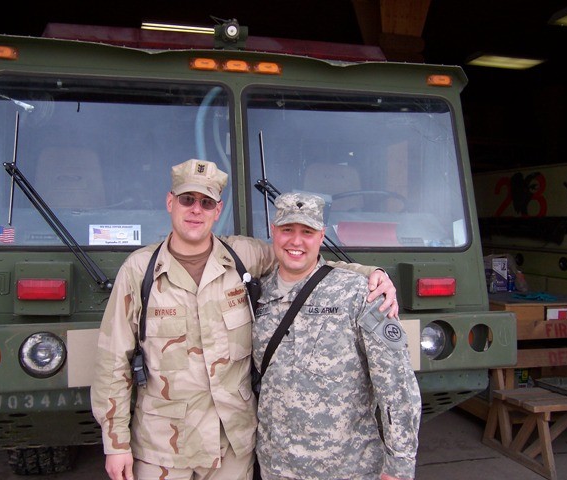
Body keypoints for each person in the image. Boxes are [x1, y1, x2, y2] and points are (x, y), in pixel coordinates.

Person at [91, 159, 398, 480]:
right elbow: (113, 362)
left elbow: (302, 261)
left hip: (231, 445)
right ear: (170, 202)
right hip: (163, 449)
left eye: (206, 202)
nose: (196, 209)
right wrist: (116, 444)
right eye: (187, 199)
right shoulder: (140, 270)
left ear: (217, 210)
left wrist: (369, 273)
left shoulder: (242, 256)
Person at [252, 192, 421, 480]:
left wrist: (400, 465)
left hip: (347, 468)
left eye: (307, 232)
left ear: (322, 235)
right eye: (287, 230)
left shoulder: (360, 293)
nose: (296, 241)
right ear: (273, 232)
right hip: (276, 466)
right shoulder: (257, 296)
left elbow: (397, 386)